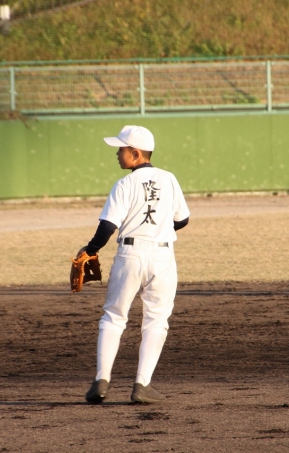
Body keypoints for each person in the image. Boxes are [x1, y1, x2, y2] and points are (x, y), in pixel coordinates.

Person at [79, 125, 190, 404]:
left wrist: (90, 249)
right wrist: (159, 229)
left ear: (136, 153)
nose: (117, 154)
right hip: (163, 258)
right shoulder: (169, 179)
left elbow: (107, 227)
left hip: (130, 255)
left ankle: (101, 380)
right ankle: (142, 385)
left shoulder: (124, 184)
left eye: (121, 149)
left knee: (113, 317)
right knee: (156, 321)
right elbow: (183, 219)